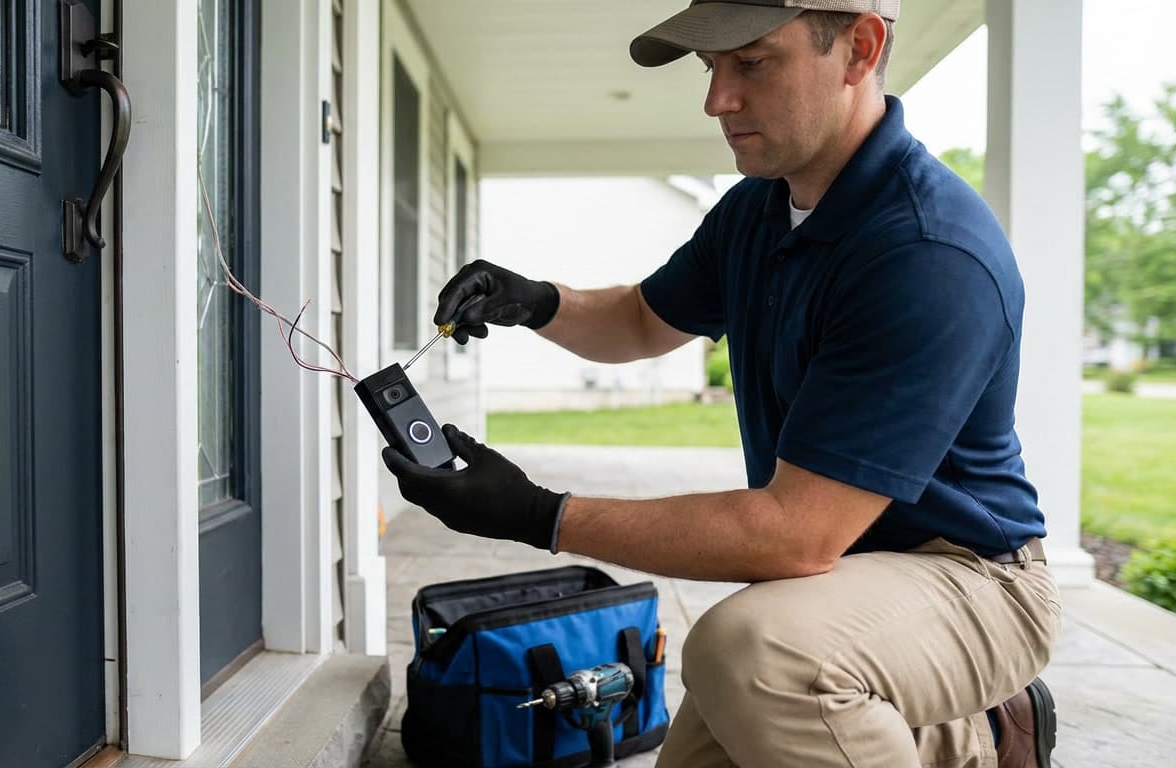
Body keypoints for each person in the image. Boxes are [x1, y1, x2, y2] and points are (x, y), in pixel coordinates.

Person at [380, 1, 1061, 766]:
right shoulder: (759, 209)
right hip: (841, 578)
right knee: (735, 692)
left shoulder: (926, 251)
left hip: (970, 577)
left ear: (860, 49)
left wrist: (540, 515)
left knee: (755, 656)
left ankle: (973, 733)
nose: (717, 100)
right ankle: (953, 732)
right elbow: (641, 319)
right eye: (712, 68)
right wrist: (536, 301)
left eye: (753, 62)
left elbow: (794, 534)